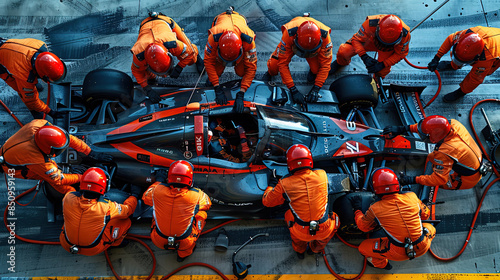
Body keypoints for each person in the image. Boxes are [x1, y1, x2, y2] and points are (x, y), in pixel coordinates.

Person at [349, 167, 436, 269]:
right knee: (430, 227)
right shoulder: (412, 196)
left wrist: (357, 209)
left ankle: (382, 264)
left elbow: (364, 227)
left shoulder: (375, 208)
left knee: (363, 248)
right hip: (423, 244)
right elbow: (425, 214)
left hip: (398, 251)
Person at [262, 144, 339, 259]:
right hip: (325, 229)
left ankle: (300, 252)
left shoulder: (285, 183)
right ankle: (315, 249)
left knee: (288, 215)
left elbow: (267, 202)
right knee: (335, 219)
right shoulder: (322, 175)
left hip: (300, 231)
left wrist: (272, 184)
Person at [0, 119, 113, 194]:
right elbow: (59, 180)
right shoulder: (38, 161)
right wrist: (82, 177)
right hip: (15, 168)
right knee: (60, 185)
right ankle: (72, 197)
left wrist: (89, 152)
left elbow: (67, 139)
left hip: (9, 150)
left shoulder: (41, 125)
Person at [383, 115, 483, 190]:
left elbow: (440, 179)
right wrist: (403, 128)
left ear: (435, 138)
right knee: (432, 156)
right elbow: (428, 127)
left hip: (469, 178)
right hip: (476, 157)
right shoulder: (452, 123)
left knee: (443, 184)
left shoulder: (445, 151)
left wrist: (413, 179)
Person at [59, 167, 140, 256]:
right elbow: (128, 210)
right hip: (93, 249)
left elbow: (72, 192)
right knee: (126, 221)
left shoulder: (68, 198)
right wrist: (134, 195)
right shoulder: (106, 207)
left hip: (66, 244)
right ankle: (116, 243)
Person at [142, 160, 212, 262]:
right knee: (202, 214)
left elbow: (145, 198)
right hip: (185, 242)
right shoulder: (197, 195)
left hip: (158, 240)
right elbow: (207, 204)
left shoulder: (157, 190)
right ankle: (182, 255)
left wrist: (158, 181)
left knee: (156, 210)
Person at [131, 12, 204, 104]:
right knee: (143, 71)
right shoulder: (138, 54)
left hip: (165, 21)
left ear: (169, 53)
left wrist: (179, 67)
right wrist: (147, 88)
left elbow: (190, 52)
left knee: (192, 56)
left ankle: (198, 58)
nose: (165, 76)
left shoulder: (173, 44)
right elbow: (136, 71)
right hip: (145, 25)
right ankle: (151, 77)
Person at [263, 14, 333, 104]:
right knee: (274, 66)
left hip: (312, 49)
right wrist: (293, 89)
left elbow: (326, 65)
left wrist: (317, 88)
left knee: (317, 70)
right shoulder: (289, 34)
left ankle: (313, 71)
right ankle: (270, 72)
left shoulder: (325, 37)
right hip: (295, 40)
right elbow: (283, 63)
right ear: (296, 38)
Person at [204, 7, 257, 113]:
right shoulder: (213, 37)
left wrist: (241, 92)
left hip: (239, 21)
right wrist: (216, 86)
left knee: (241, 72)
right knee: (216, 71)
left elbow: (251, 68)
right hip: (221, 20)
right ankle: (212, 80)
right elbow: (208, 61)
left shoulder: (249, 41)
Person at [427, 26, 500, 102]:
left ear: (476, 58)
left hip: (496, 48)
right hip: (493, 35)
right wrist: (436, 58)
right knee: (460, 58)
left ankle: (461, 92)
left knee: (484, 73)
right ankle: (452, 66)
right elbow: (450, 39)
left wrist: (461, 92)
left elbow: (474, 80)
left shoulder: (485, 60)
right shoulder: (466, 34)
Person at [0, 38, 67, 119]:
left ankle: (34, 85)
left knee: (28, 85)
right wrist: (50, 112)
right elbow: (32, 101)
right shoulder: (25, 77)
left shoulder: (40, 45)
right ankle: (33, 110)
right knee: (21, 90)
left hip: (8, 47)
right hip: (5, 60)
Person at [330, 14, 410, 79]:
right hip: (370, 42)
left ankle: (377, 80)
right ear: (377, 29)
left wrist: (383, 64)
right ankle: (340, 62)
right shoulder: (369, 23)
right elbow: (356, 40)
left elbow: (401, 54)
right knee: (344, 52)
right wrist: (364, 57)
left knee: (382, 71)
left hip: (388, 49)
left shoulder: (406, 34)